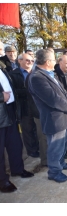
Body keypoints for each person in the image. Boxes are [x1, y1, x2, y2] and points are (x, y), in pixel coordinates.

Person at [28, 49, 67, 183]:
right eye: (54, 60)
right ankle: (54, 172)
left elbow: (64, 92)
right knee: (55, 147)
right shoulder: (37, 77)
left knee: (62, 145)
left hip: (62, 118)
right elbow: (53, 99)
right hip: (53, 120)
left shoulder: (50, 74)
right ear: (48, 62)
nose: (55, 62)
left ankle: (61, 164)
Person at [0, 61, 34, 193]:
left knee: (15, 144)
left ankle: (17, 169)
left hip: (10, 111)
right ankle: (2, 181)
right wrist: (1, 97)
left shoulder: (2, 67)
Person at [9, 53, 40, 158]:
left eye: (32, 61)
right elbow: (12, 91)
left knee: (38, 128)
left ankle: (39, 147)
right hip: (24, 106)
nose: (30, 62)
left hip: (37, 105)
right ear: (20, 61)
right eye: (27, 60)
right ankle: (32, 151)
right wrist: (28, 91)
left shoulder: (36, 72)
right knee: (28, 129)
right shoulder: (13, 74)